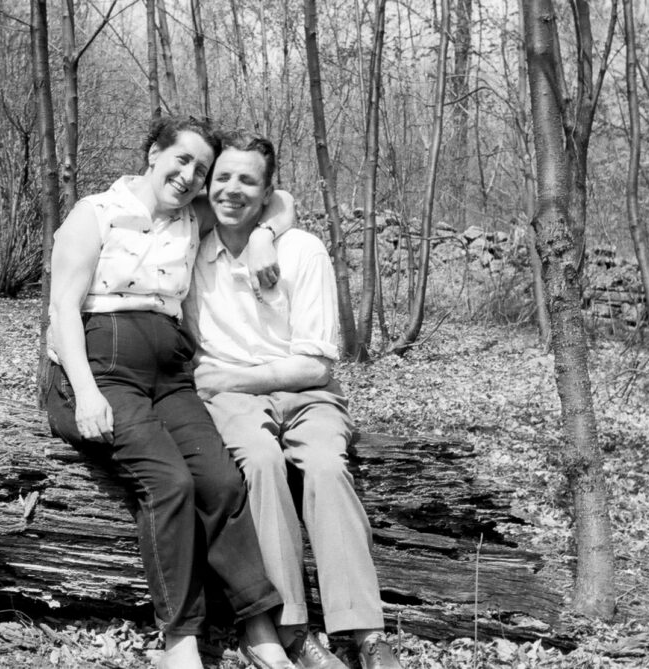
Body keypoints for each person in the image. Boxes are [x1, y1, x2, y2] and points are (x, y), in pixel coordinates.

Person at [44, 116, 298, 669]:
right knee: (170, 482)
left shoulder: (192, 217)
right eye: (180, 160)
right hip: (96, 369)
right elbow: (63, 307)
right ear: (153, 153)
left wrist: (261, 238)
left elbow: (279, 200)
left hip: (171, 375)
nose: (189, 176)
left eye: (200, 169)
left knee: (222, 480)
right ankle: (179, 642)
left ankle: (259, 625)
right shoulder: (96, 214)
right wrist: (87, 394)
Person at [184, 130, 402, 669]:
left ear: (268, 191)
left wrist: (268, 235)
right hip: (233, 400)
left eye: (249, 181)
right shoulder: (190, 247)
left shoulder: (301, 250)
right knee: (259, 463)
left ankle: (366, 633)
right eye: (224, 177)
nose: (233, 189)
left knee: (327, 466)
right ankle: (291, 631)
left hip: (303, 392)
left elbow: (316, 365)